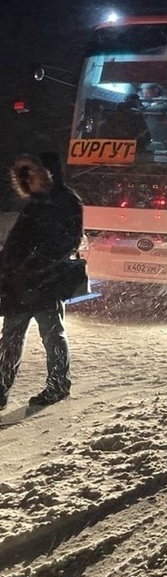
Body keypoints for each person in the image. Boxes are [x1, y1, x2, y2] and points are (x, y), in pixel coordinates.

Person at [0, 152, 84, 409]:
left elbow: (70, 240)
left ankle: (58, 386)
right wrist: (7, 267)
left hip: (47, 282)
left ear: (49, 173)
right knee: (10, 337)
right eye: (24, 177)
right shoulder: (34, 203)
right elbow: (16, 242)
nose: (29, 181)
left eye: (32, 174)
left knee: (52, 335)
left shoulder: (67, 201)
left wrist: (38, 263)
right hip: (20, 283)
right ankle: (1, 388)